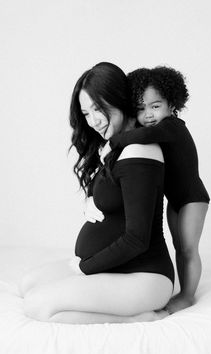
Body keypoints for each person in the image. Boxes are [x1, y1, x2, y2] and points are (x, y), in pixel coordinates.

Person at [19, 62, 174, 324]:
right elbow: (113, 196)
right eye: (86, 113)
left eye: (99, 108)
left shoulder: (140, 151)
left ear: (120, 100)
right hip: (112, 269)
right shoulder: (117, 148)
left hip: (143, 276)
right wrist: (90, 200)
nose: (94, 121)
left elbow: (137, 239)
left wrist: (84, 268)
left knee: (37, 306)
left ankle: (140, 318)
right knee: (27, 285)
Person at [104, 66, 210, 314]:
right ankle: (183, 288)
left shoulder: (172, 126)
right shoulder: (155, 131)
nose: (148, 114)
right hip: (176, 199)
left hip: (193, 198)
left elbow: (144, 135)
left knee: (187, 248)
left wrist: (113, 141)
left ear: (172, 103)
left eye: (155, 106)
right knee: (178, 244)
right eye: (140, 109)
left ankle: (186, 295)